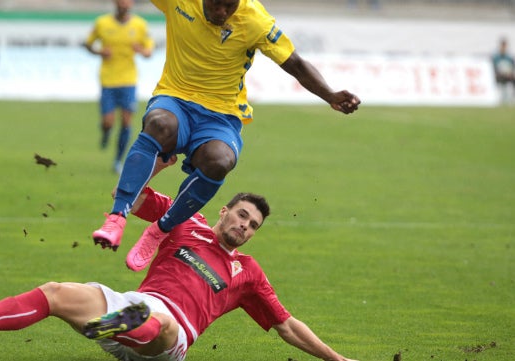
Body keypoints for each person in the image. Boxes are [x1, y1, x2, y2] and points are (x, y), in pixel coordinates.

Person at [0, 159, 358, 361]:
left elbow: (286, 325)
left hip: (168, 340)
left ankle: (115, 325)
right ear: (223, 211)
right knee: (55, 292)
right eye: (242, 215)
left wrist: (338, 360)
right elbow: (132, 197)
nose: (246, 226)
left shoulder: (247, 273)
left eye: (254, 226)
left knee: (159, 320)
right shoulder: (183, 218)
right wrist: (156, 165)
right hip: (132, 314)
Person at [91, 0, 361, 271]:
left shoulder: (255, 19)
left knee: (221, 160)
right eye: (216, 4)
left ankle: (159, 230)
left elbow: (295, 64)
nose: (221, 13)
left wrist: (330, 95)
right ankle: (116, 217)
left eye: (229, 7)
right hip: (176, 98)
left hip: (221, 115)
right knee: (159, 123)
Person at [83, 0, 155, 174]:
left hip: (129, 80)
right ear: (116, 4)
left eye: (127, 4)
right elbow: (88, 44)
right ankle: (106, 132)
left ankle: (117, 161)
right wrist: (99, 52)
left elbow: (149, 51)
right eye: (121, 4)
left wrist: (142, 50)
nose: (124, 6)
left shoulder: (140, 25)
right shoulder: (102, 23)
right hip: (108, 80)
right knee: (108, 122)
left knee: (126, 121)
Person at [491, 37, 515, 105]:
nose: (504, 47)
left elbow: (512, 68)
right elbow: (493, 68)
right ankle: (499, 98)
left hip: (508, 75)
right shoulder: (496, 57)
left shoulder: (509, 57)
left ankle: (512, 98)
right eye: (502, 45)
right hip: (498, 75)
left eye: (505, 46)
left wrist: (511, 73)